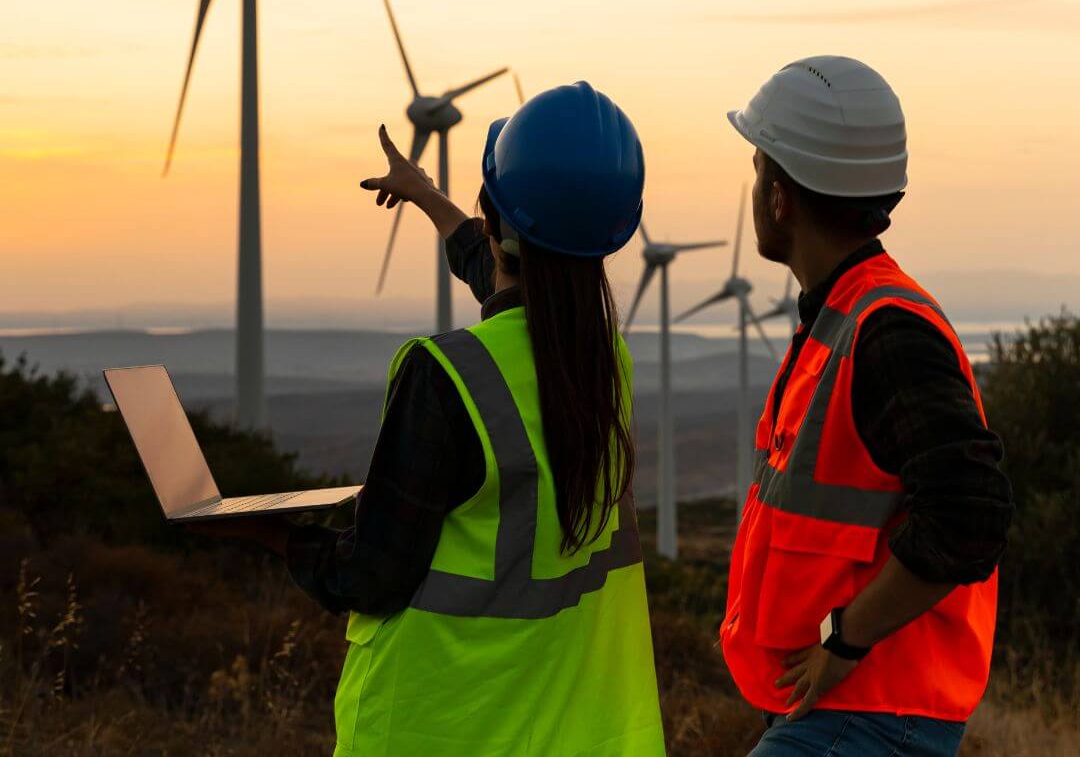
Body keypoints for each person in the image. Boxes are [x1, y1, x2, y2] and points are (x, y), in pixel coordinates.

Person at [194, 81, 666, 756]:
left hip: (441, 724)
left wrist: (270, 532)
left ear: (502, 224)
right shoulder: (602, 360)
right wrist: (427, 196)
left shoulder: (448, 375)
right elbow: (507, 271)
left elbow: (370, 575)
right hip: (571, 728)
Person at [721, 56, 1013, 757]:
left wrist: (845, 642)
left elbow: (971, 511)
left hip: (870, 716)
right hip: (845, 714)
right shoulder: (847, 315)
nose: (755, 186)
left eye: (759, 167)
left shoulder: (886, 330)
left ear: (782, 196)